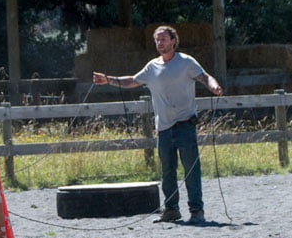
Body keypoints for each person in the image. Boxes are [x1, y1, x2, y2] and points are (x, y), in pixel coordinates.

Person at [92, 25, 223, 224]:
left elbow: (204, 76)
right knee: (167, 170)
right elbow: (132, 81)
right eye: (157, 40)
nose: (160, 43)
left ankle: (196, 210)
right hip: (164, 127)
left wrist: (213, 86)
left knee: (191, 169)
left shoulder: (186, 62)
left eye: (163, 39)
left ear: (173, 41)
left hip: (185, 124)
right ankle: (171, 209)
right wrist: (108, 80)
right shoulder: (152, 66)